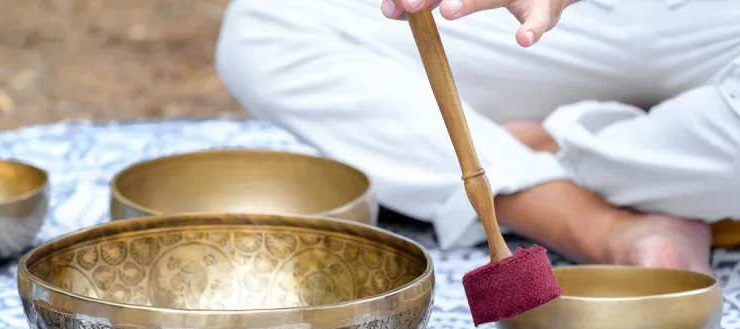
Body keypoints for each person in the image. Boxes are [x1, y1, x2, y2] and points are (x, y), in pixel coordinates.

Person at [215, 0, 740, 274]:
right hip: (531, 25)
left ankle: (548, 147)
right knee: (263, 25)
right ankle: (603, 225)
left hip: (718, 23)